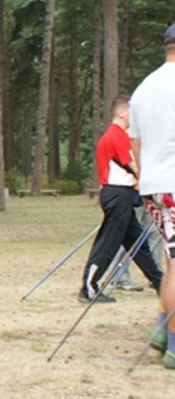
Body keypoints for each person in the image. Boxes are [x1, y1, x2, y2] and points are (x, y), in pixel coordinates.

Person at [79, 95, 163, 303]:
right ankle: (89, 287)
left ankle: (161, 284)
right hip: (117, 194)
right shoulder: (115, 135)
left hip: (123, 195)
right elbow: (132, 166)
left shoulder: (119, 135)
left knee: (137, 244)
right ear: (122, 112)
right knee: (109, 243)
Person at [129, 24, 175, 370]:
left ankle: (163, 328)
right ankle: (173, 344)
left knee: (173, 261)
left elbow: (135, 143)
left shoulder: (144, 88)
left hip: (153, 185)